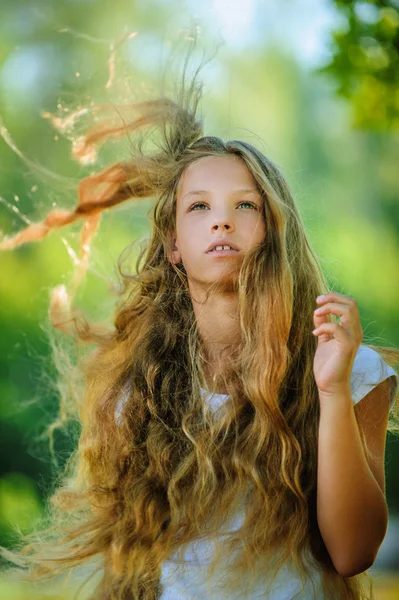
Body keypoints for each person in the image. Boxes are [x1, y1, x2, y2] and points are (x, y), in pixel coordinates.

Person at [0, 46, 398, 600]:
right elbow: (132, 569)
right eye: (200, 207)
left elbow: (354, 552)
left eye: (246, 206)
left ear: (275, 229)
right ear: (173, 248)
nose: (223, 222)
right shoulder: (139, 389)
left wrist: (330, 391)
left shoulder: (352, 368)